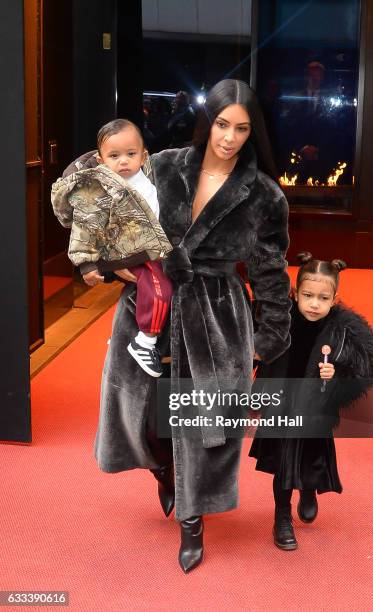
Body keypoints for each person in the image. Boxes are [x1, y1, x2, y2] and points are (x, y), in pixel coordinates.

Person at [86, 79, 291, 573]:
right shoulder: (166, 165)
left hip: (217, 314)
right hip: (151, 306)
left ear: (252, 131)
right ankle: (165, 472)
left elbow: (270, 270)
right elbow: (112, 211)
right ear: (209, 121)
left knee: (205, 426)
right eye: (223, 124)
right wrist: (100, 259)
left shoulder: (264, 194)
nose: (230, 137)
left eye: (242, 128)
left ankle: (192, 520)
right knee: (137, 415)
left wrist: (269, 336)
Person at [249, 252, 373, 550]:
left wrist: (334, 373)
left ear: (335, 299)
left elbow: (362, 370)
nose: (314, 304)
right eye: (307, 295)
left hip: (314, 410)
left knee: (311, 456)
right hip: (281, 406)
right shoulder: (280, 320)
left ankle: (308, 487)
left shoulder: (344, 331)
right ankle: (281, 517)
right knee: (283, 464)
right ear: (295, 293)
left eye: (323, 298)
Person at [51, 119, 173, 377]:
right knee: (160, 289)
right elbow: (85, 227)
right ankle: (145, 341)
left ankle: (124, 339)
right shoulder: (98, 189)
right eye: (114, 156)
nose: (124, 161)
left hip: (151, 247)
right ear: (101, 159)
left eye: (131, 154)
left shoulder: (150, 176)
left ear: (144, 155)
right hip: (124, 252)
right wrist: (87, 264)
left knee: (156, 287)